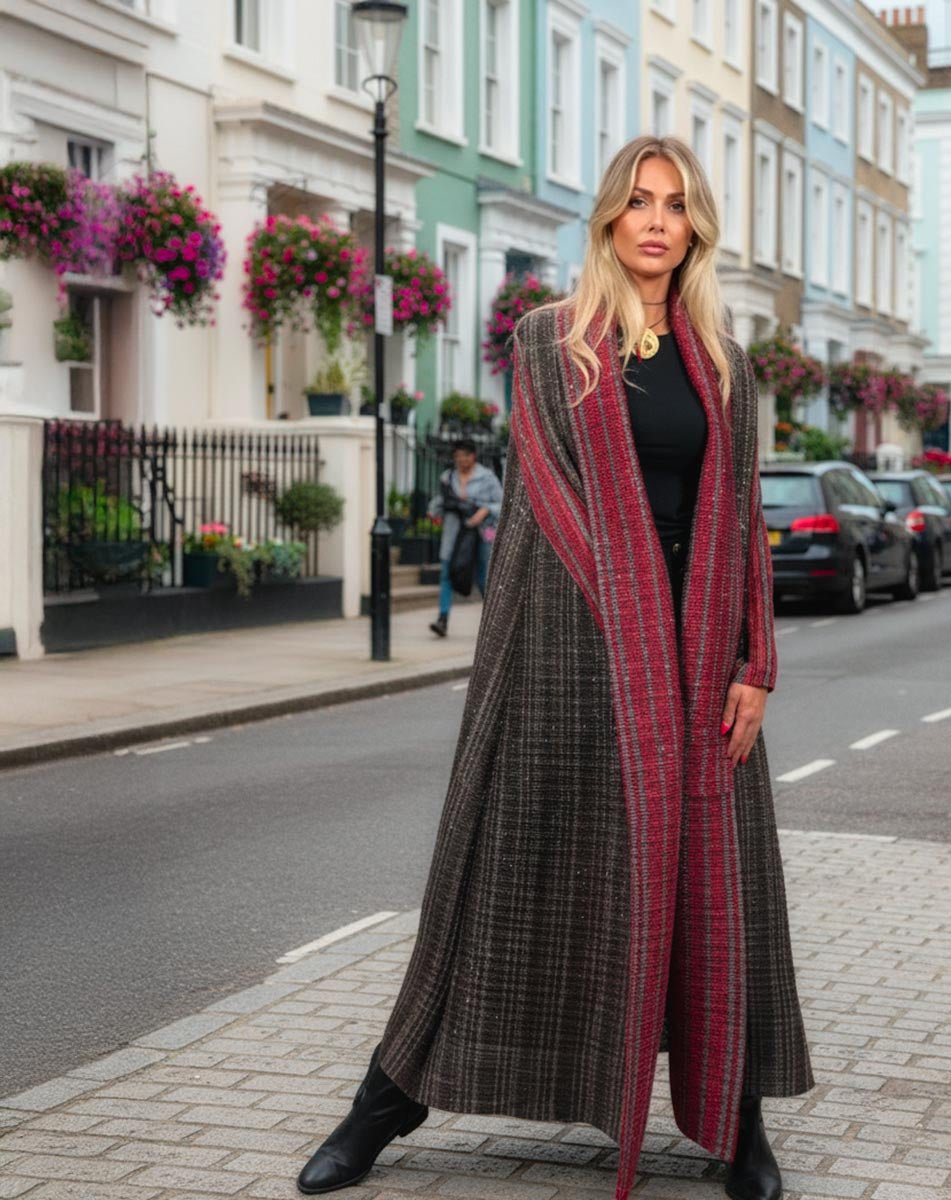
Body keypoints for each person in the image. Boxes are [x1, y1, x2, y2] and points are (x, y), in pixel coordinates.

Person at [297, 135, 814, 1200]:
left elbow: (740, 518)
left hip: (700, 652)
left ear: (695, 227)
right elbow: (560, 507)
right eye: (638, 202)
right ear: (611, 222)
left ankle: (741, 1125)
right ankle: (384, 1102)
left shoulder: (724, 363)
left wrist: (753, 660)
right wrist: (642, 644)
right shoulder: (550, 342)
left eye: (675, 205)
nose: (657, 221)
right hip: (568, 656)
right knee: (503, 885)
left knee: (722, 891)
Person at [426, 439, 502, 638]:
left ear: (473, 456)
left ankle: (494, 623)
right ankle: (442, 619)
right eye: (457, 456)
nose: (461, 459)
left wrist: (484, 511)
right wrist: (434, 510)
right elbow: (442, 500)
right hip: (455, 533)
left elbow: (502, 504)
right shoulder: (448, 476)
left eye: (465, 455)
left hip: (481, 534)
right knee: (446, 574)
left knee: (484, 577)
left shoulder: (487, 477)